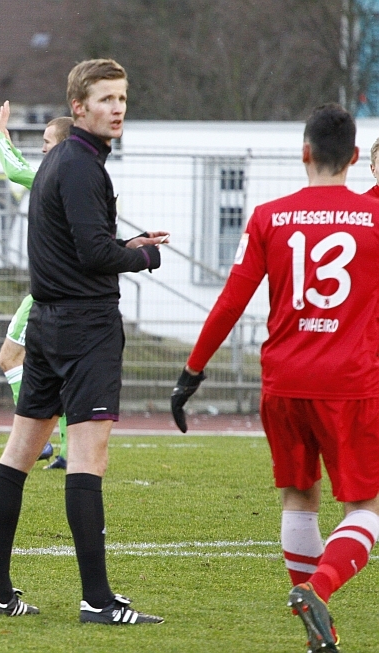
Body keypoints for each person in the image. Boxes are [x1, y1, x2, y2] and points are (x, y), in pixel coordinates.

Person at [172, 103, 379, 653]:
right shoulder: (375, 218)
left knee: (298, 497)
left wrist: (192, 371)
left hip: (282, 381)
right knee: (366, 507)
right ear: (356, 158)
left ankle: (315, 624)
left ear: (304, 152)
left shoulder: (268, 215)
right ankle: (319, 588)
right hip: (350, 383)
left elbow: (230, 302)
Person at [0, 59, 167, 623]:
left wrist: (122, 243)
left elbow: (79, 243)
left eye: (123, 97)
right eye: (106, 98)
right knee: (89, 458)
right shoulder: (83, 165)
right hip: (85, 330)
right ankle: (96, 600)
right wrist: (143, 255)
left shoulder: (57, 160)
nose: (117, 108)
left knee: (18, 453)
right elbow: (93, 253)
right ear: (78, 107)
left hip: (49, 326)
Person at [0, 103, 74, 468]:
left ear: (63, 146)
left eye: (46, 142)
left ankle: (35, 439)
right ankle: (69, 450)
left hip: (50, 289)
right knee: (64, 370)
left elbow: (14, 169)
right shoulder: (86, 180)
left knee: (9, 357)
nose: (42, 148)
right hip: (76, 291)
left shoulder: (54, 178)